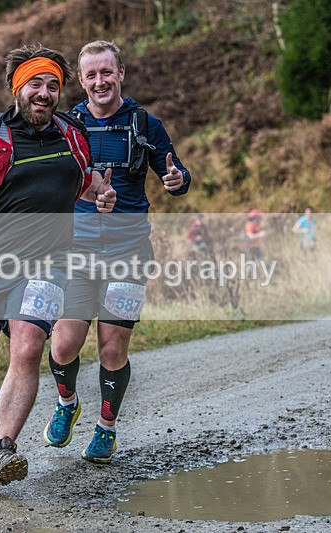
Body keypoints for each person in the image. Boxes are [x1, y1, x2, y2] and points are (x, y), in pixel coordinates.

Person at [0, 44, 116, 485]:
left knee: (29, 345)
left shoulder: (72, 134)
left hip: (47, 263)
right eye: (35, 83)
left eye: (53, 85)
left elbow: (85, 181)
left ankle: (3, 448)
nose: (45, 92)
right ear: (17, 88)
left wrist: (101, 194)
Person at [43, 40, 191, 463]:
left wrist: (178, 180)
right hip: (76, 252)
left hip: (128, 251)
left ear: (121, 73)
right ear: (82, 80)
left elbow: (175, 172)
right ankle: (67, 403)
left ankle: (106, 428)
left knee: (112, 349)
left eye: (107, 72)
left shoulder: (145, 123)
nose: (99, 81)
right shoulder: (66, 125)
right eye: (90, 75)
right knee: (63, 346)